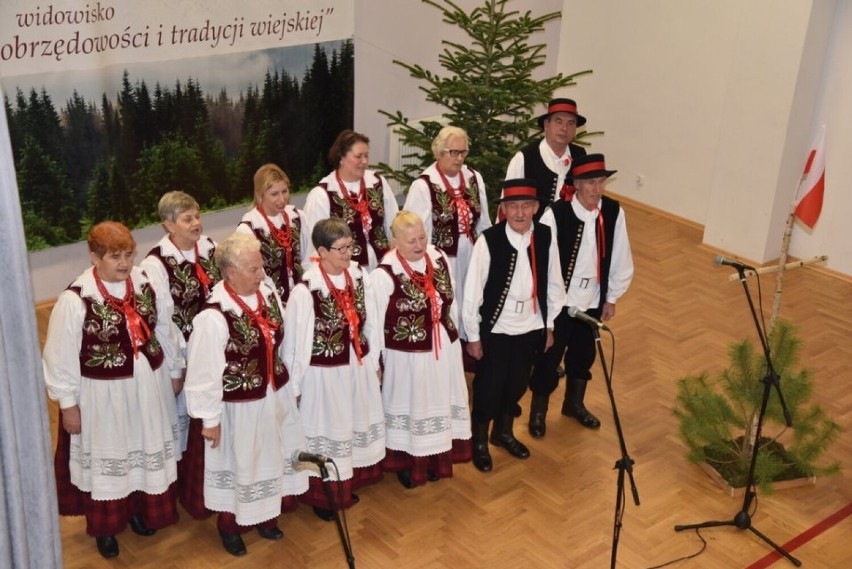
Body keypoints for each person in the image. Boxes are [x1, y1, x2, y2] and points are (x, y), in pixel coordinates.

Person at [43, 221, 183, 559]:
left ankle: (137, 510)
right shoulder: (76, 299)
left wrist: (175, 368)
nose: (124, 263)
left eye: (128, 255)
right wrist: (68, 405)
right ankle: (105, 527)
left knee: (141, 447)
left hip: (147, 388)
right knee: (112, 455)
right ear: (94, 257)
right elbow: (59, 356)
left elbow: (164, 326)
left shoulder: (144, 284)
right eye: (114, 257)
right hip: (103, 394)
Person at [183, 232, 309, 556]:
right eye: (253, 269)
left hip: (273, 395)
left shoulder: (267, 294)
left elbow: (285, 340)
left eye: (261, 266)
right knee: (242, 463)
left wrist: (290, 385)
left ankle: (266, 516)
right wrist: (209, 419)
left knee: (272, 457)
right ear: (230, 273)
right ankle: (231, 526)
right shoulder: (213, 316)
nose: (262, 274)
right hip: (239, 406)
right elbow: (203, 372)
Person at [282, 217, 385, 520]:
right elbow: (295, 343)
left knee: (352, 423)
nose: (347, 254)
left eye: (350, 246)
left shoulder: (359, 276)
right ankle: (323, 495)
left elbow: (373, 322)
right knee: (327, 431)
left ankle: (348, 481)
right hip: (324, 374)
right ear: (321, 251)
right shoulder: (307, 290)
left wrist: (375, 359)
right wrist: (296, 387)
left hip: (356, 365)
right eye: (340, 249)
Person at [461, 180, 565, 472]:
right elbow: (472, 293)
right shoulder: (489, 240)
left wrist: (549, 325)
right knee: (489, 386)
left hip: (531, 325)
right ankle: (478, 441)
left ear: (535, 208)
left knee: (518, 383)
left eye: (525, 206)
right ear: (504, 209)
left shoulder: (544, 236)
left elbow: (555, 283)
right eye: (513, 206)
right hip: (497, 328)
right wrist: (473, 335)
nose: (519, 212)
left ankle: (503, 432)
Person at [529, 154, 634, 436]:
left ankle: (573, 404)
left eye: (601, 182)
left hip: (593, 301)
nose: (596, 189)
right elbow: (543, 262)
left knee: (583, 355)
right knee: (549, 359)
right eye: (590, 183)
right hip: (561, 303)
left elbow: (621, 255)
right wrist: (549, 310)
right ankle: (538, 412)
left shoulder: (612, 212)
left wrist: (611, 297)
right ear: (576, 184)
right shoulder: (556, 214)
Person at [373, 211, 472, 489]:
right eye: (411, 241)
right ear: (395, 242)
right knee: (413, 406)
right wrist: (376, 363)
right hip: (408, 357)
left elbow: (453, 296)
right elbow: (374, 322)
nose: (419, 245)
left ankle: (435, 460)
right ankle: (407, 463)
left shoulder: (438, 257)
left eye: (422, 237)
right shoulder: (385, 274)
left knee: (438, 403)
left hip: (442, 349)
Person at [140, 190, 220, 519]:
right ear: (168, 225)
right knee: (180, 422)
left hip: (213, 350)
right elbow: (163, 319)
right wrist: (178, 365)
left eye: (198, 215)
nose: (196, 223)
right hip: (183, 354)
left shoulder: (211, 249)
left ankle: (205, 484)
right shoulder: (155, 263)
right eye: (188, 219)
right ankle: (176, 488)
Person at [403, 125, 491, 352]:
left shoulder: (474, 178)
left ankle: (470, 343)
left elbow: (484, 222)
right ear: (439, 152)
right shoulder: (424, 185)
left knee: (472, 300)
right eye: (454, 152)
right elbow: (417, 235)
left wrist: (488, 251)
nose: (459, 158)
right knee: (450, 305)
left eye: (463, 152)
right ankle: (450, 353)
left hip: (472, 253)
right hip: (443, 259)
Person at [303, 129, 399, 270]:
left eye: (366, 155)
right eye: (358, 156)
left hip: (383, 264)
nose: (364, 161)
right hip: (346, 271)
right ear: (341, 157)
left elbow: (394, 223)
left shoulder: (377, 182)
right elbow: (316, 246)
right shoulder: (322, 195)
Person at [237, 163, 309, 304]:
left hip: (302, 297)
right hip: (271, 302)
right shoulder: (249, 228)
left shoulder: (298, 217)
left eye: (285, 191)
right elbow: (254, 274)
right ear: (260, 195)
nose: (282, 199)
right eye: (274, 194)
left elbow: (309, 258)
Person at [505, 98, 588, 211]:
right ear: (546, 124)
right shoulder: (524, 158)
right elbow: (508, 205)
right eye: (559, 122)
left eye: (571, 123)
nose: (564, 128)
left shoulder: (580, 156)